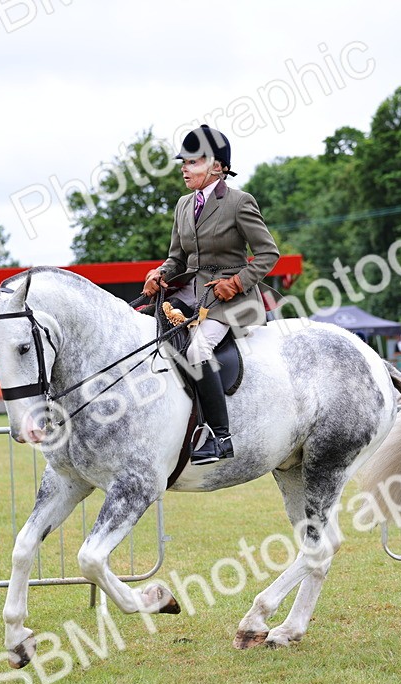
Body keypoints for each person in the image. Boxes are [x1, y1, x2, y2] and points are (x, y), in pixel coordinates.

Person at [143, 125, 279, 465]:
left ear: (216, 166)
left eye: (192, 162)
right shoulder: (183, 205)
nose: (183, 168)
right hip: (191, 295)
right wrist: (160, 273)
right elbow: (177, 258)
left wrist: (236, 283)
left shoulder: (238, 202)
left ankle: (221, 435)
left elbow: (268, 254)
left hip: (232, 300)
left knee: (199, 347)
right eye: (183, 162)